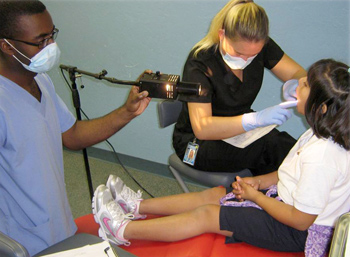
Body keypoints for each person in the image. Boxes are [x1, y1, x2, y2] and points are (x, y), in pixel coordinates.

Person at [93, 59, 350, 256]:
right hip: (285, 205)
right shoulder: (320, 135)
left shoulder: (323, 156)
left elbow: (300, 220)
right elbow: (289, 173)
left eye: (305, 85)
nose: (298, 83)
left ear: (322, 107)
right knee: (216, 194)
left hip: (297, 233)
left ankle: (121, 230)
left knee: (207, 215)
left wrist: (256, 197)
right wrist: (258, 183)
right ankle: (137, 207)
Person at [0, 0, 151, 255]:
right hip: (24, 245)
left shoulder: (41, 82)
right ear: (6, 45)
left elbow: (72, 134)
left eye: (52, 36)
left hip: (59, 229)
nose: (51, 47)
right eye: (40, 41)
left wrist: (126, 113)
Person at [173, 0, 307, 176]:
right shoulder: (200, 62)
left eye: (253, 55)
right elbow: (202, 128)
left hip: (239, 134)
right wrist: (255, 120)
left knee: (289, 147)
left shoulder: (260, 45)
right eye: (238, 53)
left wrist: (297, 84)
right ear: (222, 35)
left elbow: (298, 73)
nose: (245, 60)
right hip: (196, 144)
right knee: (273, 152)